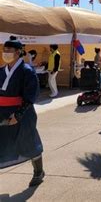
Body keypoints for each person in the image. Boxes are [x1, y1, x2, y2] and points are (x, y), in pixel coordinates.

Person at [0, 38, 45, 187]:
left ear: (18, 53)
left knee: (28, 141)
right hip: (3, 112)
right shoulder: (1, 70)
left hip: (23, 113)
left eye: (9, 51)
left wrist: (18, 114)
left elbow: (31, 95)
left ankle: (39, 172)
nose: (5, 53)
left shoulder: (27, 71)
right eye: (4, 50)